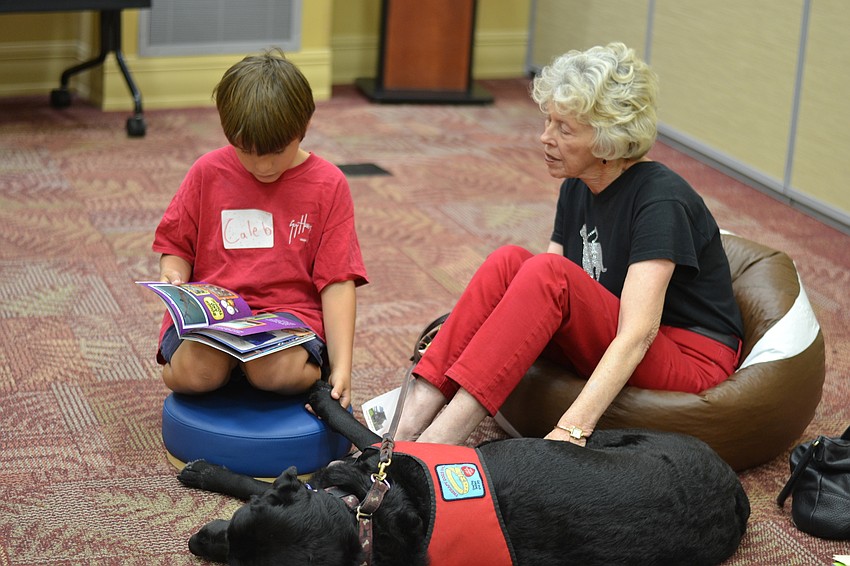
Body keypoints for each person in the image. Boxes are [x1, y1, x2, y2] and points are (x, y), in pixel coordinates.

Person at [395, 42, 743, 446]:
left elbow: (637, 334)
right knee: (509, 261)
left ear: (609, 141)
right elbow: (538, 297)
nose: (545, 138)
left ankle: (438, 440)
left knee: (548, 272)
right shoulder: (578, 183)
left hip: (686, 355)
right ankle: (407, 420)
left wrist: (571, 429)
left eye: (564, 129)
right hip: (618, 332)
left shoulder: (660, 200)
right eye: (548, 122)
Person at [152, 50, 368, 408]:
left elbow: (338, 281)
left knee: (274, 372)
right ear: (228, 133)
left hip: (288, 322)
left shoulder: (329, 185)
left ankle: (268, 369)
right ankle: (226, 368)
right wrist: (173, 276)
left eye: (277, 151)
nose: (263, 165)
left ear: (304, 127)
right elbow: (176, 245)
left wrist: (343, 367)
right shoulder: (207, 172)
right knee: (196, 374)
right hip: (214, 321)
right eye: (247, 151)